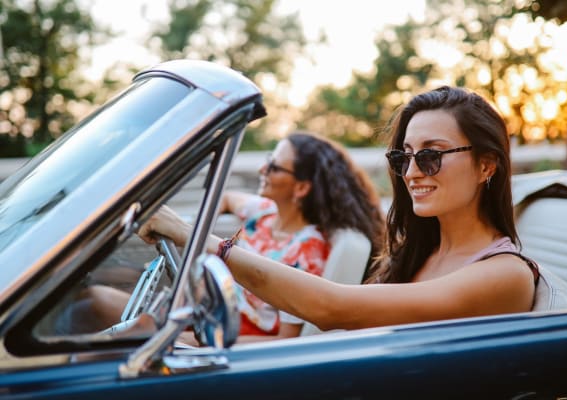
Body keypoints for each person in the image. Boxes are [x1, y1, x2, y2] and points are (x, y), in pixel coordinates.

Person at [177, 85, 542, 332]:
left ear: (486, 166)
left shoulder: (504, 274)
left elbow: (331, 307)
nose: (412, 173)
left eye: (431, 155)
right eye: (404, 157)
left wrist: (199, 240)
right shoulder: (417, 254)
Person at [138, 131, 385, 342]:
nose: (262, 169)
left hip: (226, 336)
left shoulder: (308, 253)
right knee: (101, 299)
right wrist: (196, 225)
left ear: (300, 187)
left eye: (274, 167)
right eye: (268, 160)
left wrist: (194, 342)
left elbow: (285, 341)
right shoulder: (263, 211)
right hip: (201, 312)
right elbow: (226, 198)